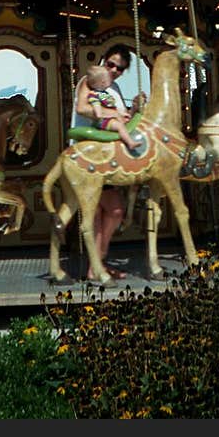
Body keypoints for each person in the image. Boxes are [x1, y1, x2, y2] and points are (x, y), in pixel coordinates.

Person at [72, 44, 146, 279]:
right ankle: (96, 267)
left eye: (120, 68)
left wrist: (134, 109)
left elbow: (122, 122)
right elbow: (83, 108)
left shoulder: (111, 89)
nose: (114, 70)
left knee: (110, 212)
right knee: (108, 211)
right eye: (110, 64)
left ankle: (97, 265)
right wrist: (113, 114)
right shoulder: (89, 81)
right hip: (88, 153)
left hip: (106, 157)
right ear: (103, 61)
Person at [83, 64, 141, 154]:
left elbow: (113, 109)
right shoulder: (94, 95)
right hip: (103, 122)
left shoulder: (105, 93)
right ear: (102, 82)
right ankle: (130, 143)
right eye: (107, 78)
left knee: (127, 121)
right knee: (120, 126)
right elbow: (99, 114)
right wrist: (116, 114)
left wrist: (121, 114)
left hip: (110, 119)